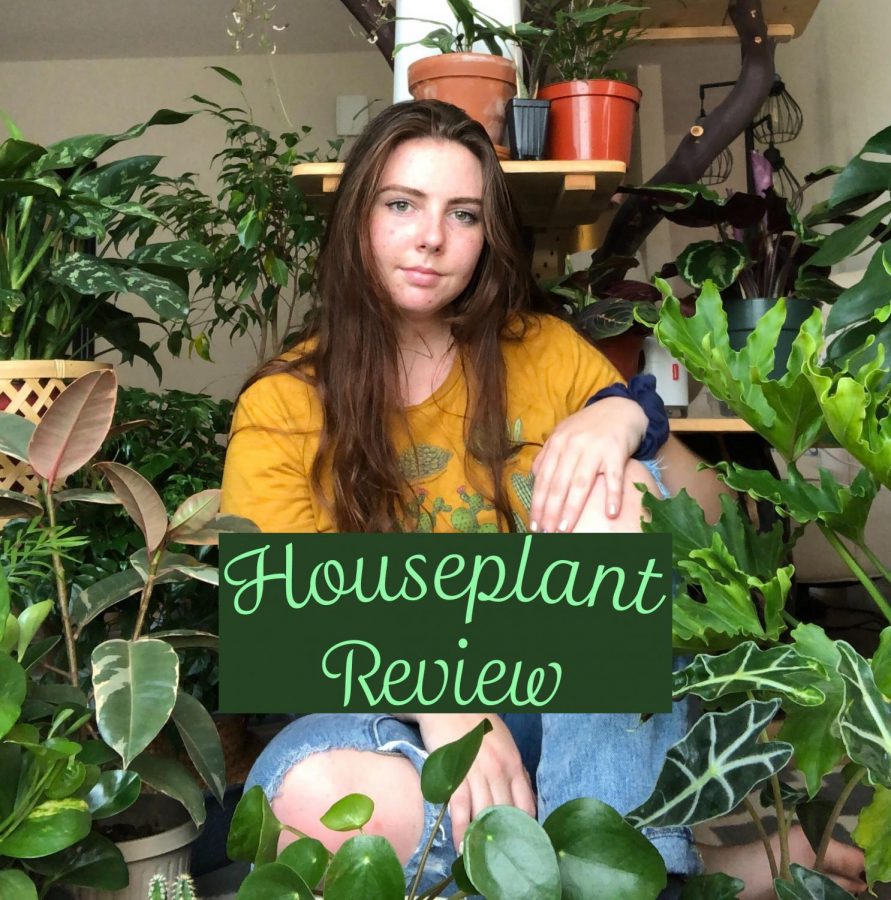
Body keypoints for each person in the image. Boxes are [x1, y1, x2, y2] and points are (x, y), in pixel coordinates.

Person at [221, 100, 866, 898]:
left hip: (578, 717)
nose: (431, 237)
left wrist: (631, 418)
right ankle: (662, 867)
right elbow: (280, 617)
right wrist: (440, 697)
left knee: (618, 487)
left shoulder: (547, 354)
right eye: (401, 205)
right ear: (357, 218)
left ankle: (623, 859)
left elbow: (704, 523)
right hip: (402, 729)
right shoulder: (285, 400)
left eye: (462, 214)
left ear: (488, 235)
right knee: (306, 808)